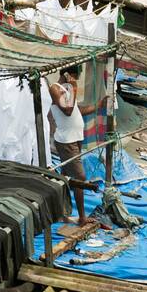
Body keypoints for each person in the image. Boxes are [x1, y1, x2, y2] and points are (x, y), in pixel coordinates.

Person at [48, 66, 88, 225]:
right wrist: (74, 88)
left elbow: (76, 110)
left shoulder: (67, 91)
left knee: (65, 177)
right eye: (75, 77)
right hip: (66, 141)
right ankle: (82, 218)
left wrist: (98, 105)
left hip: (75, 138)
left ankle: (62, 212)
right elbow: (68, 111)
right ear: (68, 75)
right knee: (80, 178)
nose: (76, 81)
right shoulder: (55, 89)